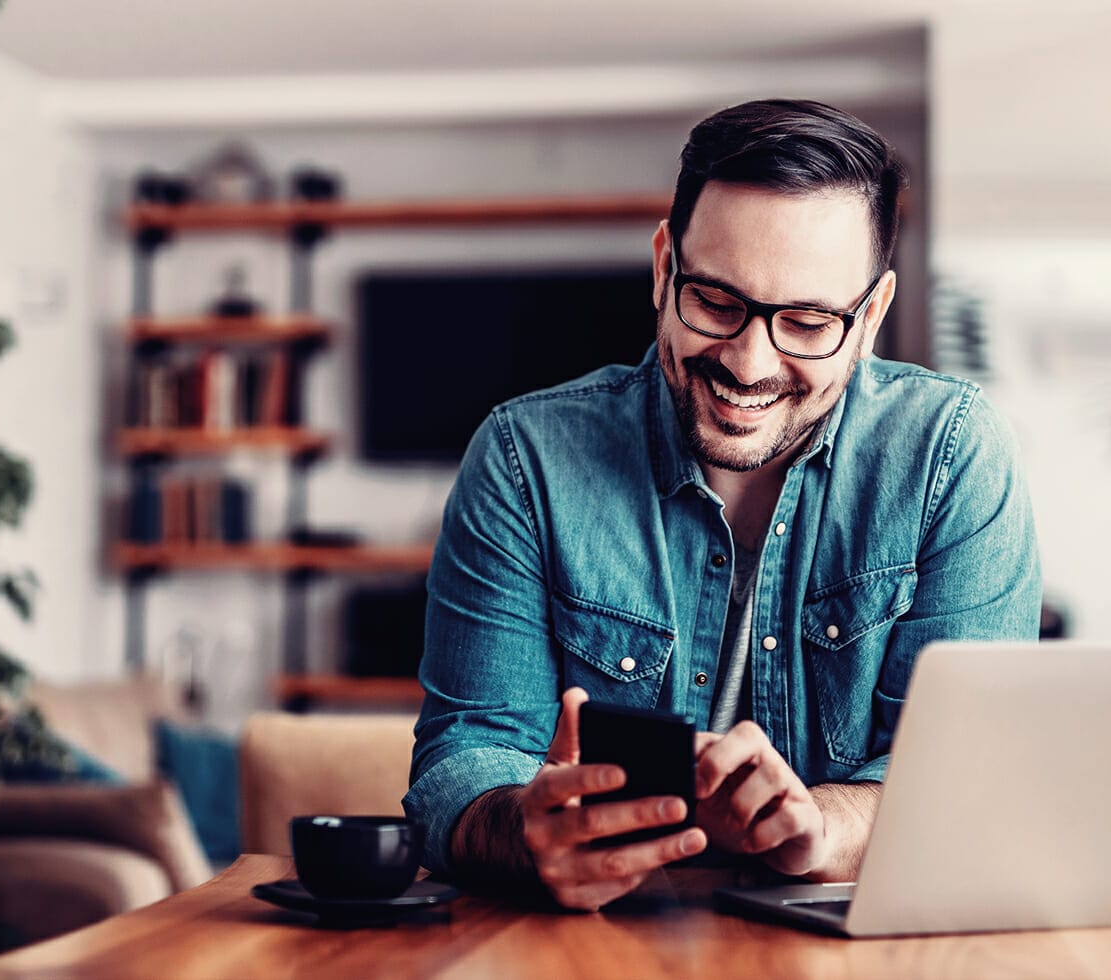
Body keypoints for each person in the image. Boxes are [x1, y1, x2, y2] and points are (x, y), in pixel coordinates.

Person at [404, 99, 1040, 911]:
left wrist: (819, 826)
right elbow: (465, 763)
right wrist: (524, 828)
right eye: (716, 302)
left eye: (809, 322)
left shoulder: (951, 454)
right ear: (665, 266)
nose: (749, 363)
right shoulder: (525, 459)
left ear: (871, 314)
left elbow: (967, 781)